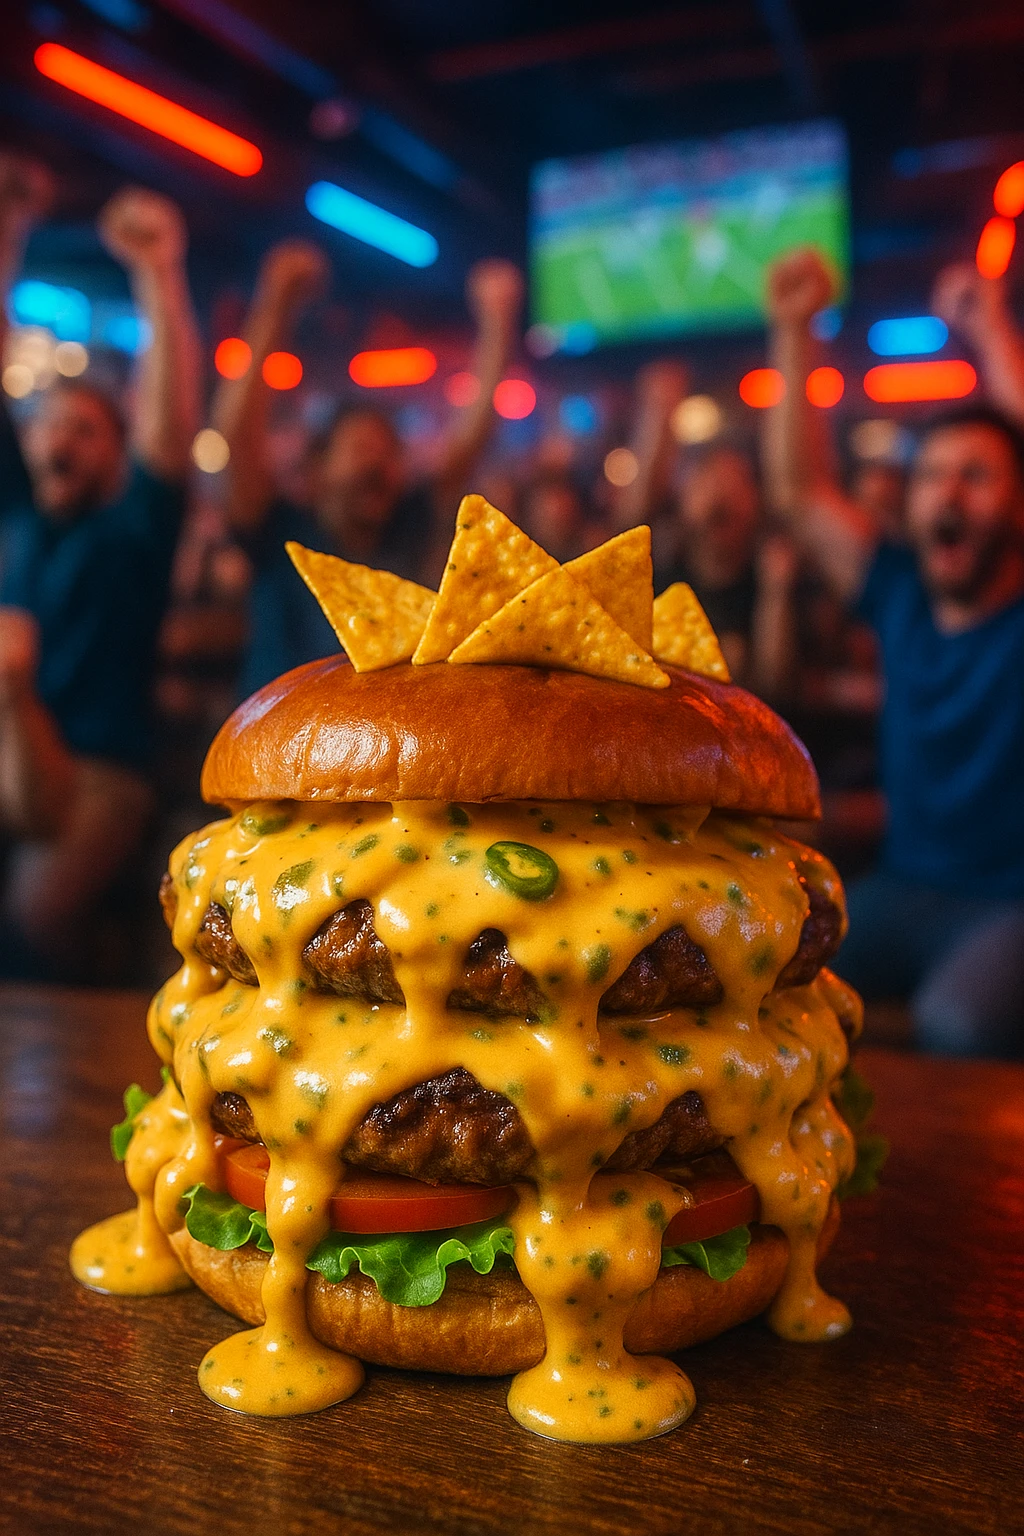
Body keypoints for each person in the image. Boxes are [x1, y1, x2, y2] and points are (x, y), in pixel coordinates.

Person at [765, 246, 1024, 1058]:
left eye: (976, 475)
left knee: (960, 1025)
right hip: (909, 884)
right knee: (770, 980)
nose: (947, 492)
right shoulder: (902, 589)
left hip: (1009, 902)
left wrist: (989, 327)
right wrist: (794, 330)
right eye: (933, 476)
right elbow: (802, 492)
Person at [0, 153, 199, 978]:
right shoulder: (16, 517)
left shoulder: (134, 530)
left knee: (32, 924)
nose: (62, 439)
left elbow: (168, 420)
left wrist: (158, 271)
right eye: (50, 424)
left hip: (101, 774)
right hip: (9, 752)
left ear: (117, 458)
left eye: (87, 430)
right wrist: (10, 226)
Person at [212, 242, 524, 696]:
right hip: (281, 743)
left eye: (389, 453)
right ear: (316, 470)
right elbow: (237, 435)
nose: (378, 464)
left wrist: (498, 323)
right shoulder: (280, 530)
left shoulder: (407, 523)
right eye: (361, 449)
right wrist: (276, 302)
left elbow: (467, 443)